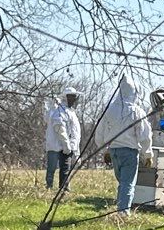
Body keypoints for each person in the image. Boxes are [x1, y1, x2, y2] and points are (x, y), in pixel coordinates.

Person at [93, 72, 152, 216]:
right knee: (128, 183)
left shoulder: (109, 109)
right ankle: (123, 213)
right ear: (134, 92)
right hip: (129, 152)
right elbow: (144, 134)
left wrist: (105, 150)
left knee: (122, 182)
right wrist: (148, 153)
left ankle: (120, 208)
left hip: (114, 151)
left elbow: (100, 132)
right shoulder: (136, 111)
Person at [43, 89, 81, 192]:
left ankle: (64, 189)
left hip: (66, 146)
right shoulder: (59, 111)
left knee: (65, 169)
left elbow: (75, 132)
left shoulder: (70, 112)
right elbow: (59, 128)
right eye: (72, 96)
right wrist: (66, 144)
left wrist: (74, 148)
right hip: (56, 146)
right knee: (52, 168)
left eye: (74, 96)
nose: (74, 99)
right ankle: (49, 188)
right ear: (66, 97)